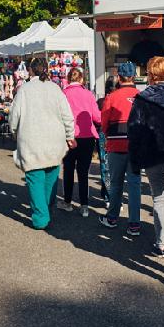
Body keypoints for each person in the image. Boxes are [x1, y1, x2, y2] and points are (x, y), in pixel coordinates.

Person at [9, 58, 76, 230]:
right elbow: (67, 115)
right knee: (51, 176)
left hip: (32, 140)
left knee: (35, 178)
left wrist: (15, 132)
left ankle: (41, 216)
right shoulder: (56, 89)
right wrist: (70, 135)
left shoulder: (24, 90)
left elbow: (14, 117)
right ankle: (45, 209)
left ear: (31, 71)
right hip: (55, 140)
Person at [128, 56, 164, 257]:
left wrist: (135, 162)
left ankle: (161, 244)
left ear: (150, 74)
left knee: (160, 199)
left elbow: (134, 130)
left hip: (153, 154)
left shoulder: (142, 99)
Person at [99, 61, 143, 236]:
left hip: (116, 145)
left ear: (119, 76)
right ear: (133, 77)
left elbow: (104, 124)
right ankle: (134, 224)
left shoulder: (112, 97)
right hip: (135, 147)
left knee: (116, 184)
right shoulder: (141, 96)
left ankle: (112, 218)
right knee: (134, 185)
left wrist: (109, 136)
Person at [59, 68, 101, 217]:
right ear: (82, 79)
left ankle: (68, 202)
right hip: (88, 136)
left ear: (69, 79)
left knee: (68, 169)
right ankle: (84, 205)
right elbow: (97, 117)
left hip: (70, 136)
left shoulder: (63, 94)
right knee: (83, 172)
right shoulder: (88, 94)